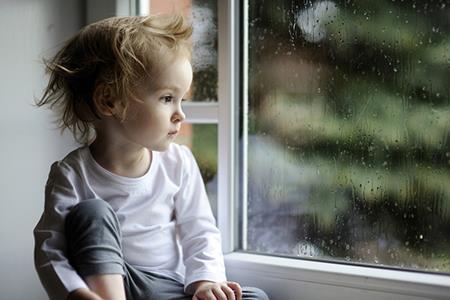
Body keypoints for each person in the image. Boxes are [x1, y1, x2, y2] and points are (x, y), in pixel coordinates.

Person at [33, 15, 269, 300]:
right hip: (117, 286)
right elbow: (51, 251)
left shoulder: (178, 163)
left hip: (168, 288)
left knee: (253, 297)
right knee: (91, 213)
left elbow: (200, 231)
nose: (181, 114)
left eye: (182, 99)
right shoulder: (72, 174)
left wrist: (206, 282)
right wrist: (77, 294)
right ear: (109, 101)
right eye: (167, 98)